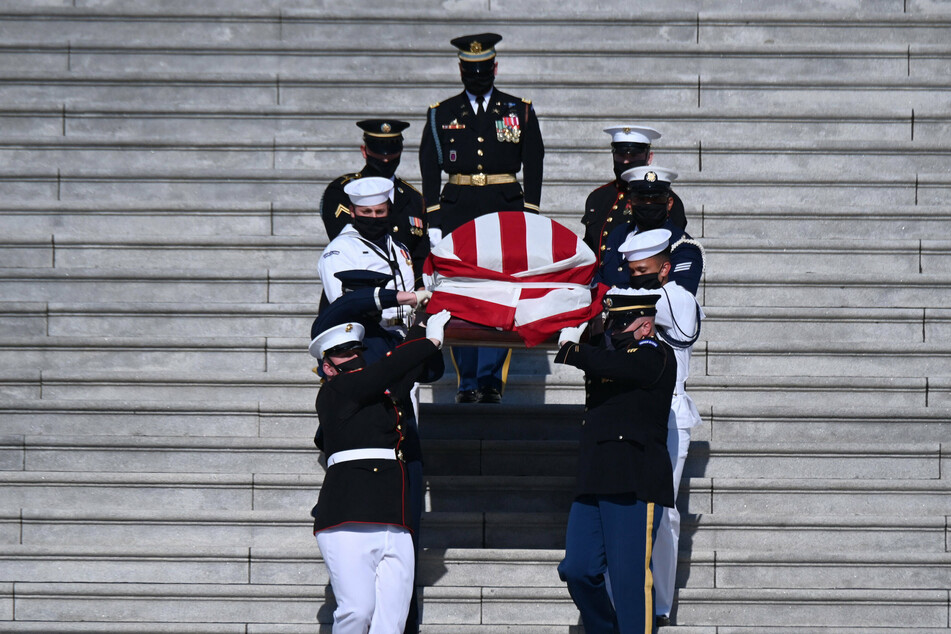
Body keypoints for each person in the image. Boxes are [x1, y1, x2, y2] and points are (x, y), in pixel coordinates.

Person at [309, 270, 442, 634]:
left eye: (355, 351)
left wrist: (426, 318)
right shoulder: (336, 392)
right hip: (348, 515)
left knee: (391, 622)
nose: (352, 357)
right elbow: (389, 368)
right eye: (342, 355)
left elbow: (402, 369)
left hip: (392, 515)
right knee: (357, 610)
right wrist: (430, 342)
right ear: (327, 365)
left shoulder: (378, 390)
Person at [418, 32, 545, 403]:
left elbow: (534, 161)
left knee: (500, 291)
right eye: (470, 70)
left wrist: (531, 213)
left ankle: (490, 378)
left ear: (495, 67)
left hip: (504, 205)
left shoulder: (517, 109)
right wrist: (434, 217)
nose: (477, 76)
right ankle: (467, 379)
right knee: (461, 292)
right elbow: (429, 166)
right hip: (458, 208)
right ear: (461, 69)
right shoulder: (441, 112)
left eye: (484, 69)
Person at [554, 290, 676, 634]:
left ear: (646, 325)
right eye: (611, 321)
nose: (613, 328)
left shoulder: (654, 355)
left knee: (629, 582)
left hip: (633, 479)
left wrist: (572, 349)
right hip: (594, 477)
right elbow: (603, 359)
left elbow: (617, 366)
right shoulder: (606, 352)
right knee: (577, 568)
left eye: (622, 322)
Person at [618, 230, 704, 628]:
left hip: (669, 415)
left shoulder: (677, 298)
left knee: (664, 513)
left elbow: (673, 321)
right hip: (630, 411)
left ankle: (661, 604)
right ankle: (625, 594)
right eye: (632, 271)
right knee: (623, 506)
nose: (636, 278)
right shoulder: (629, 292)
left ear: (665, 269)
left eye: (645, 271)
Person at [319, 119, 430, 286]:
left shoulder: (413, 197)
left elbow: (420, 254)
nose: (385, 159)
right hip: (356, 291)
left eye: (391, 151)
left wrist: (420, 287)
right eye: (379, 151)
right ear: (364, 151)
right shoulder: (342, 191)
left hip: (405, 297)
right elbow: (344, 240)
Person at [318, 176, 417, 334]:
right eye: (366, 212)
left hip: (403, 334)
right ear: (352, 211)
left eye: (380, 211)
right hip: (366, 337)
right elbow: (342, 303)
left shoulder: (399, 247)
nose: (374, 217)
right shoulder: (340, 249)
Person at [596, 166, 705, 296]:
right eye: (641, 199)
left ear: (669, 203)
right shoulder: (619, 234)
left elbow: (679, 298)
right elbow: (601, 281)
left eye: (656, 200)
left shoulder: (682, 245)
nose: (648, 205)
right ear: (630, 203)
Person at [582, 125, 687, 260]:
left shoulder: (662, 200)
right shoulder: (598, 197)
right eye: (620, 154)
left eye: (634, 155)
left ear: (649, 157)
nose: (626, 161)